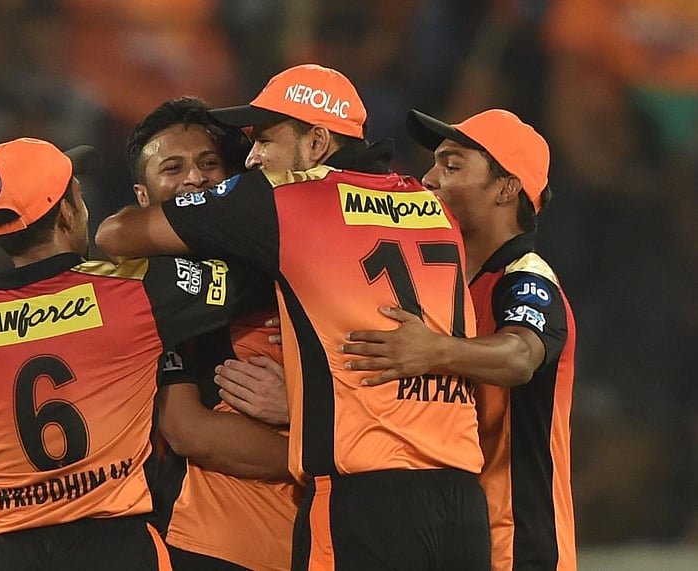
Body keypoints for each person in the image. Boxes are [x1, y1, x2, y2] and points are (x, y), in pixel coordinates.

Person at [95, 64, 491, 570]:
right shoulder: (432, 206)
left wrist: (310, 408)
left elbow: (116, 234)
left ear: (318, 142)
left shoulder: (288, 203)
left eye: (266, 140)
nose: (253, 158)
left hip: (362, 499)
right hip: (460, 497)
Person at [0, 137, 271, 570]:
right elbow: (254, 273)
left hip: (11, 552)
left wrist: (29, 491)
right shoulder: (133, 291)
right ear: (68, 211)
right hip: (115, 542)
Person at [341, 109, 577, 570]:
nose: (428, 179)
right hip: (451, 537)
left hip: (518, 544)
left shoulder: (526, 279)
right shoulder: (446, 288)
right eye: (435, 164)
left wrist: (434, 351)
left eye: (452, 166)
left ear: (506, 189)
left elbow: (520, 355)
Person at [128, 96, 298, 571]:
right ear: (143, 197)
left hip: (315, 535)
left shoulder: (283, 256)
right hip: (212, 540)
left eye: (209, 164)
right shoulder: (154, 285)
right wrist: (331, 449)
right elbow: (189, 430)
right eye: (172, 168)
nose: (195, 179)